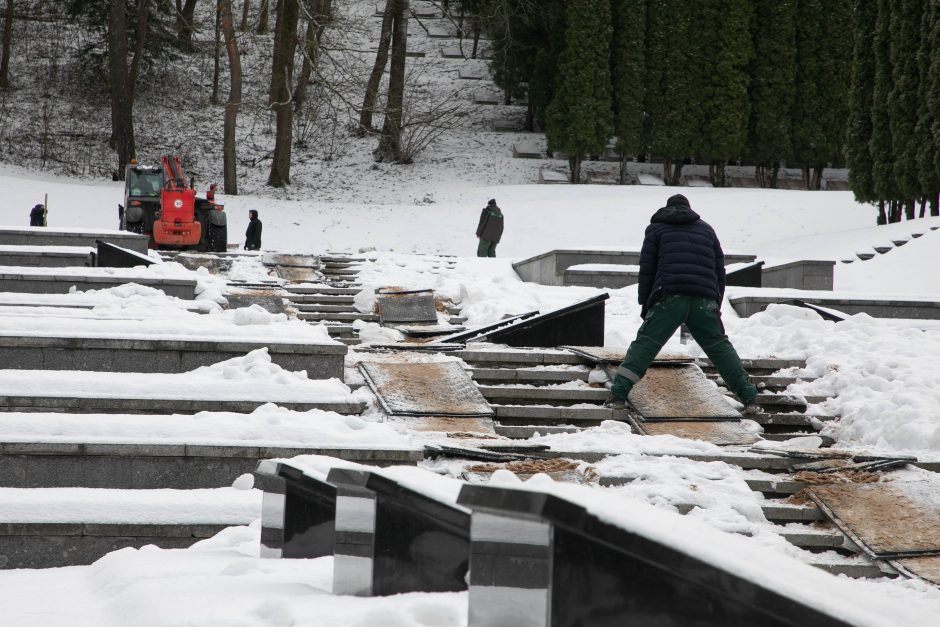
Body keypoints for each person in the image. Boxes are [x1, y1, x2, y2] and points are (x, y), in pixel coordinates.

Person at [607, 193, 760, 414]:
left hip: (670, 296)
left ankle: (618, 395)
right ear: (689, 208)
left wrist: (645, 303)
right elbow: (720, 271)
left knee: (646, 344)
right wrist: (715, 302)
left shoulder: (656, 229)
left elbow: (647, 270)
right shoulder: (707, 230)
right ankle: (750, 398)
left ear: (666, 208)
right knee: (719, 348)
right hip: (704, 299)